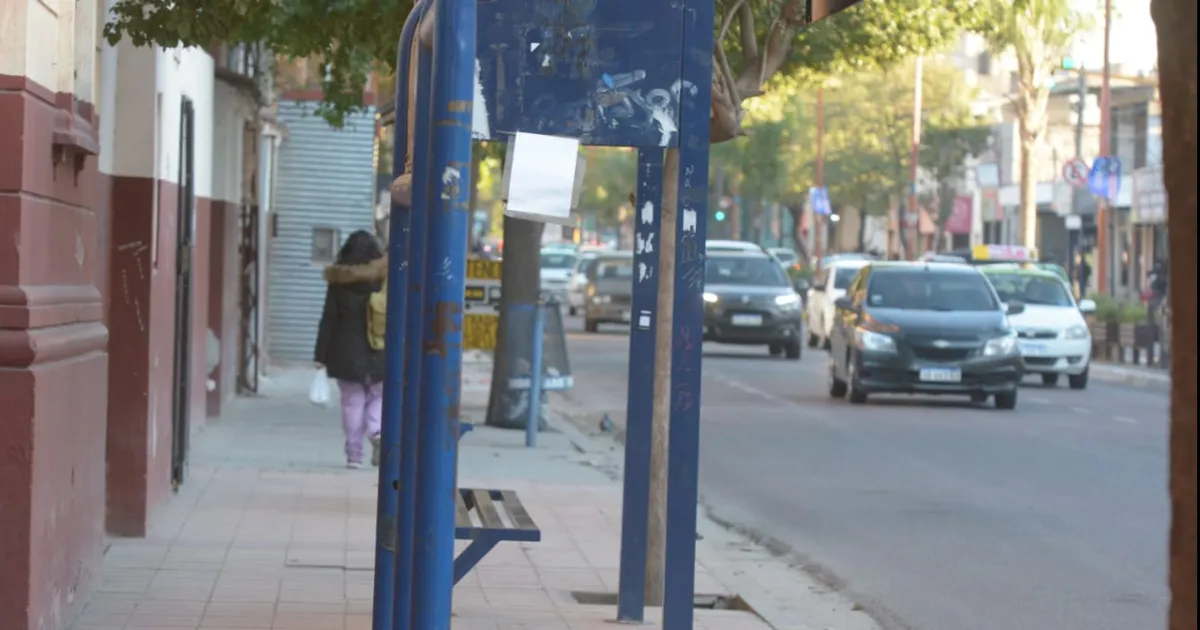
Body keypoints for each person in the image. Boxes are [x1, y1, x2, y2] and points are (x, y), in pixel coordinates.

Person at [314, 230, 387, 469]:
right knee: (378, 395)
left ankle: (354, 455)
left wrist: (320, 357)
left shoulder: (338, 283)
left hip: (345, 353)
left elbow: (328, 320)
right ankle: (376, 432)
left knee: (352, 402)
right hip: (379, 349)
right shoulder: (383, 280)